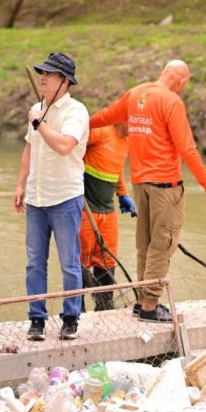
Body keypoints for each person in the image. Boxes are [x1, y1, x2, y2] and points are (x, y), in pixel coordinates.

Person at [89, 60, 206, 323]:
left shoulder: (135, 93)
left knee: (144, 245)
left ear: (163, 73)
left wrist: (77, 124)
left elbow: (104, 117)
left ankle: (140, 301)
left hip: (140, 185)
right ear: (181, 82)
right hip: (165, 186)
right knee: (163, 245)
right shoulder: (171, 101)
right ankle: (149, 305)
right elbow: (187, 148)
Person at [13, 52, 89, 341]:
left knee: (69, 262)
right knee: (34, 262)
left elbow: (64, 146)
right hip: (36, 197)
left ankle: (71, 316)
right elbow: (29, 149)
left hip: (65, 197)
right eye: (41, 73)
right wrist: (20, 184)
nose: (42, 77)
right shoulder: (38, 107)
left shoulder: (76, 112)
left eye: (50, 74)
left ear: (65, 81)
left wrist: (38, 124)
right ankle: (37, 318)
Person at [79, 122, 135, 311]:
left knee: (107, 260)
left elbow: (117, 168)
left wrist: (123, 194)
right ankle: (77, 311)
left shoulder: (126, 141)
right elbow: (72, 144)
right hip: (85, 208)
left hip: (108, 210)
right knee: (81, 261)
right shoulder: (101, 132)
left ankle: (104, 308)